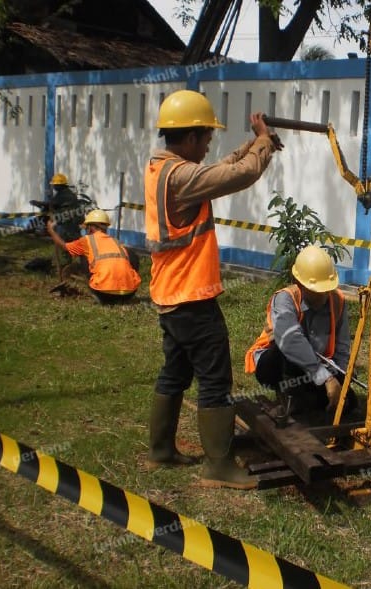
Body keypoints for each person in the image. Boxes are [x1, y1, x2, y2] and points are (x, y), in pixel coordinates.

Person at [144, 89, 281, 489]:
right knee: (215, 379)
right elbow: (240, 175)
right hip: (191, 297)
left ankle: (160, 451)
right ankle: (218, 465)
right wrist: (263, 144)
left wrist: (254, 144)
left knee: (175, 373)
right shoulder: (182, 177)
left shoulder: (162, 168)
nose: (207, 146)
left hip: (170, 295)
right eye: (205, 138)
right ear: (189, 137)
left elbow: (219, 168)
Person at [244, 245, 354, 417]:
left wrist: (340, 381)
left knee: (349, 403)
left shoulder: (337, 300)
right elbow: (290, 341)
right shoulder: (285, 299)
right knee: (287, 349)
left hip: (316, 366)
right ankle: (288, 398)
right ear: (300, 284)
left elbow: (342, 348)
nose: (323, 295)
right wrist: (326, 378)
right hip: (275, 364)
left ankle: (306, 399)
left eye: (326, 289)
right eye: (317, 291)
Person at [46, 209, 141, 304]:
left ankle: (98, 292)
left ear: (90, 228)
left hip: (104, 294)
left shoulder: (86, 241)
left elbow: (64, 246)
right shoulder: (116, 242)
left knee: (84, 255)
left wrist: (51, 231)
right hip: (129, 293)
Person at [31, 173, 83, 242]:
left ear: (60, 185)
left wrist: (38, 203)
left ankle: (44, 231)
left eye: (55, 185)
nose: (54, 186)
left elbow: (51, 204)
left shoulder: (63, 194)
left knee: (66, 240)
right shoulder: (66, 192)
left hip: (66, 222)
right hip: (71, 220)